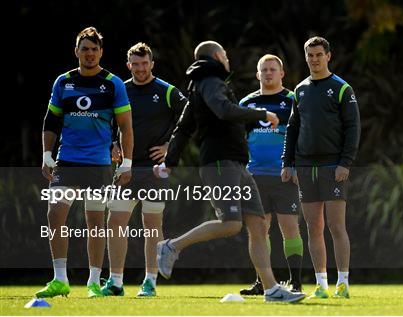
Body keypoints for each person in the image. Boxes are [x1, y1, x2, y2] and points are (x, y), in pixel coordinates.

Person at [153, 41, 305, 303]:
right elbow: (224, 111)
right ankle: (172, 246)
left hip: (237, 166)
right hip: (220, 164)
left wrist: (170, 161)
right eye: (224, 54)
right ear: (216, 57)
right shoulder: (211, 81)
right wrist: (261, 113)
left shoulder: (200, 85)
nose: (227, 58)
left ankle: (271, 289)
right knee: (231, 224)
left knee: (257, 225)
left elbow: (183, 128)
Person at [36, 27, 133, 298]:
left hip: (99, 164)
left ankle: (93, 282)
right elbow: (51, 121)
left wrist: (127, 162)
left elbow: (125, 125)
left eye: (94, 49)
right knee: (54, 215)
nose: (89, 54)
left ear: (101, 52)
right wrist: (46, 155)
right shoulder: (63, 82)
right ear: (76, 51)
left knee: (94, 222)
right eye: (84, 49)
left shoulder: (113, 83)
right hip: (66, 161)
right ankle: (60, 280)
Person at [102, 43, 187, 297]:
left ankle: (150, 282)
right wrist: (112, 144)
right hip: (125, 168)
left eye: (144, 63)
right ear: (129, 66)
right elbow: (104, 121)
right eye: (135, 64)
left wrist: (170, 147)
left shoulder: (167, 91)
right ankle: (116, 282)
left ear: (152, 64)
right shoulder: (120, 90)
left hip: (154, 171)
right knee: (115, 221)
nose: (140, 68)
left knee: (152, 225)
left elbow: (191, 119)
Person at [282, 36, 360, 299]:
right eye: (310, 55)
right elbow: (292, 129)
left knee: (336, 227)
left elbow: (353, 129)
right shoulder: (300, 90)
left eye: (319, 54)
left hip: (333, 167)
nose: (314, 59)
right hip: (305, 168)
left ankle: (343, 283)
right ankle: (321, 284)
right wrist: (287, 163)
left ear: (328, 56)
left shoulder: (342, 89)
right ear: (306, 58)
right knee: (313, 227)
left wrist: (345, 163)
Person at [238, 54, 304, 295]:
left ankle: (295, 281)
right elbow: (239, 138)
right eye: (263, 69)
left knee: (289, 227)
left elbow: (301, 136)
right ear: (257, 74)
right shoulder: (247, 103)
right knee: (258, 230)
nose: (268, 73)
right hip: (254, 175)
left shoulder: (293, 100)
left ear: (282, 73)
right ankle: (263, 283)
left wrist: (295, 165)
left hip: (285, 174)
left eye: (272, 69)